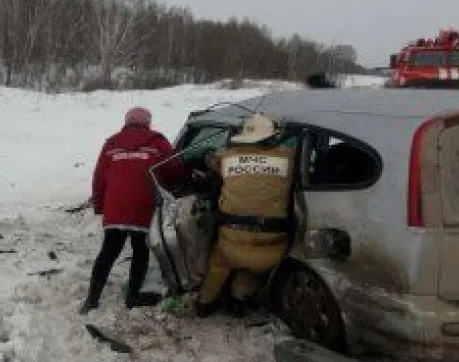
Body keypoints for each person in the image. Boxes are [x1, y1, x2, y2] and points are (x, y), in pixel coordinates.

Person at [79, 106, 183, 315]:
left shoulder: (112, 143)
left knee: (108, 251)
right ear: (147, 123)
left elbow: (99, 178)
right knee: (140, 251)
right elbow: (175, 169)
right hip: (143, 206)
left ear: (126, 122)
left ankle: (92, 299)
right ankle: (133, 297)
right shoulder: (157, 141)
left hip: (116, 207)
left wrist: (100, 206)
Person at [195, 112, 299, 317]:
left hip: (232, 241)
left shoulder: (227, 158)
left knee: (219, 263)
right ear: (272, 137)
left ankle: (205, 303)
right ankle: (238, 300)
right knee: (254, 269)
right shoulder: (288, 158)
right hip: (272, 247)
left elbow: (208, 159)